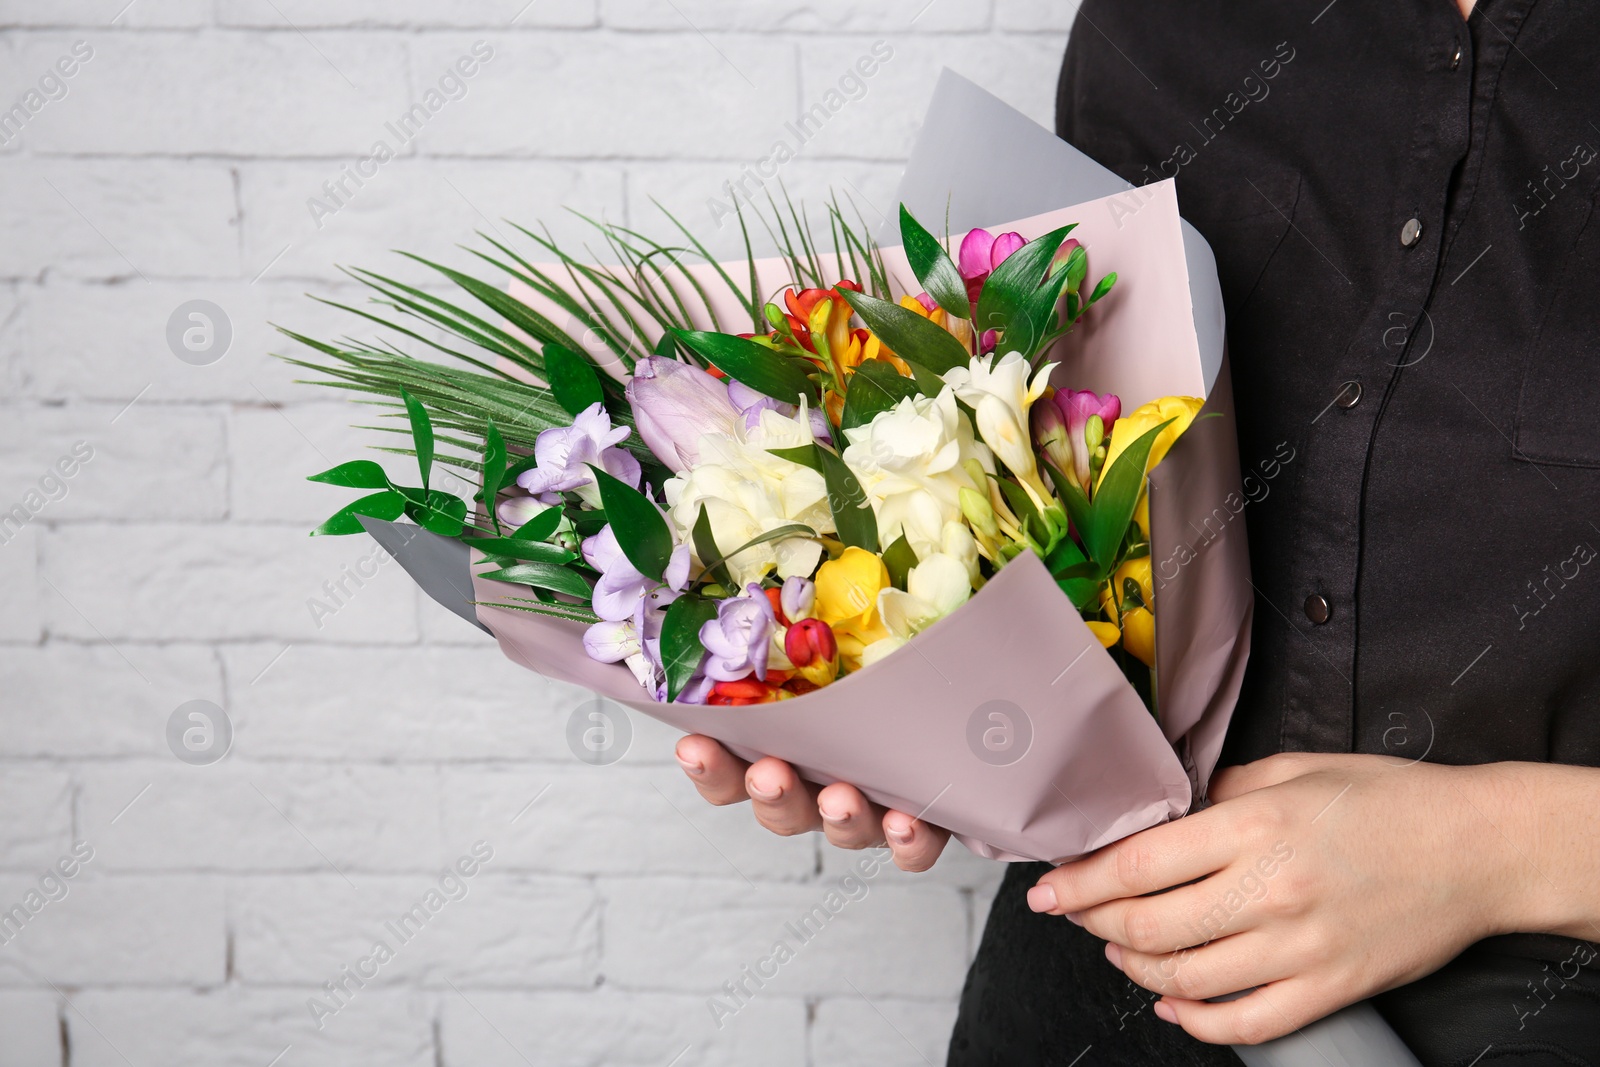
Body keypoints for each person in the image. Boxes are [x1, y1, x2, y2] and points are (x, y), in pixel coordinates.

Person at [676, 0, 1600, 1062]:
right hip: (1090, 987)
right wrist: (899, 697)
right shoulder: (1161, 23)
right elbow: (1050, 469)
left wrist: (1489, 849)